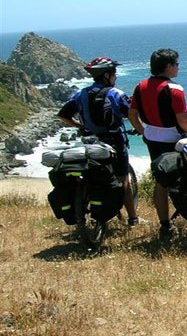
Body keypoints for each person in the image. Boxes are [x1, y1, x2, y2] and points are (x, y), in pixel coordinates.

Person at [58, 57, 141, 226]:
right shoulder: (115, 93)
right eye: (114, 74)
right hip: (114, 141)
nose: (115, 77)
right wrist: (141, 129)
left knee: (92, 173)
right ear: (107, 75)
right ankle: (133, 218)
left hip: (91, 142)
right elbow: (130, 115)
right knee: (123, 179)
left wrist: (80, 126)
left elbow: (63, 115)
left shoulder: (80, 94)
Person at [128, 49, 187, 237]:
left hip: (152, 140)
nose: (178, 67)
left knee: (161, 182)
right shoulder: (174, 89)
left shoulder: (139, 87)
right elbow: (183, 121)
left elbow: (132, 115)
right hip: (175, 140)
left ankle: (165, 224)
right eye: (176, 64)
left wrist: (144, 131)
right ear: (168, 66)